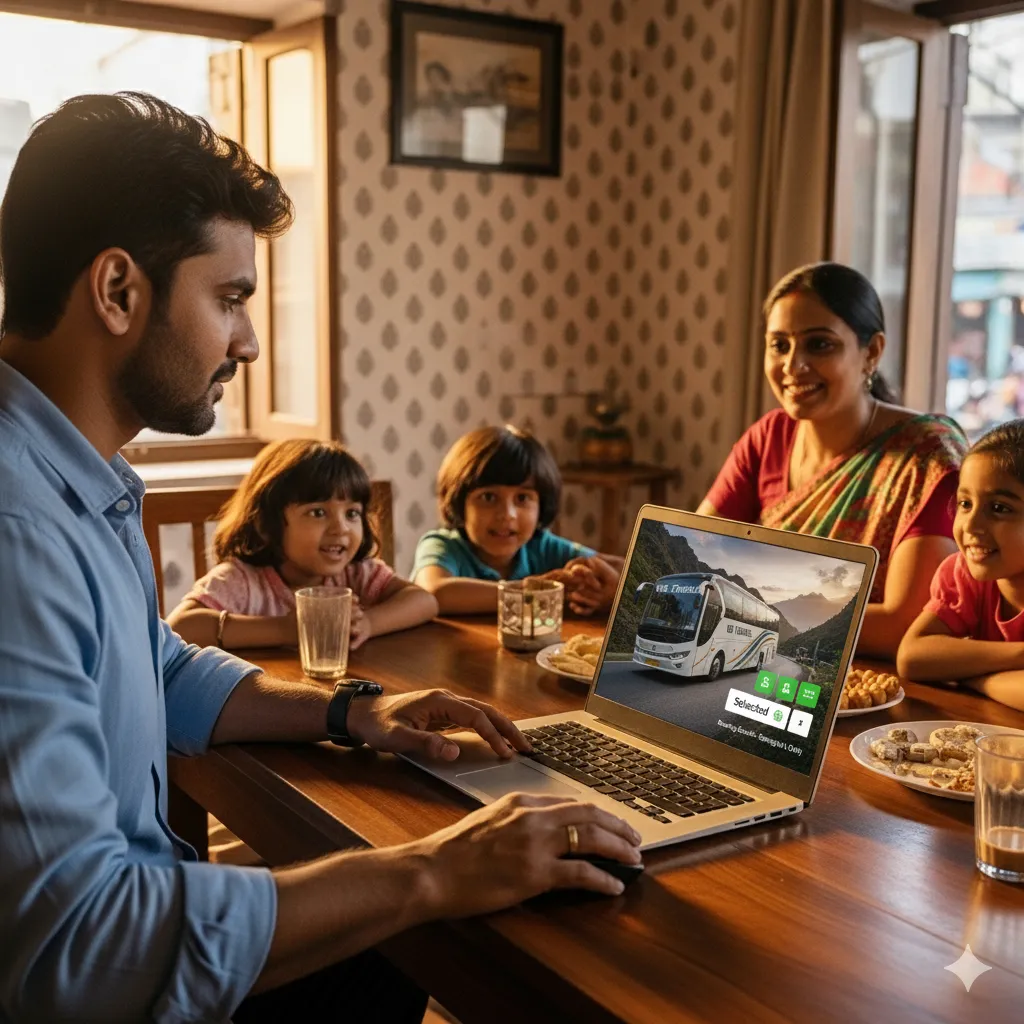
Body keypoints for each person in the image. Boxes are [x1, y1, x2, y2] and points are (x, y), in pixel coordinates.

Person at [0, 92, 641, 1023]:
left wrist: (355, 710)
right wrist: (431, 870)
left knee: (397, 938)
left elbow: (161, 668)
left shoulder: (78, 477)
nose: (250, 342)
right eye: (228, 301)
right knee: (431, 922)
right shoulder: (20, 531)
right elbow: (80, 950)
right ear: (117, 290)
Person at [697, 262, 967, 658]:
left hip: (881, 686)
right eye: (779, 345)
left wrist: (758, 624)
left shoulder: (925, 455)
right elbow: (699, 550)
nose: (793, 366)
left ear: (871, 351)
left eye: (819, 344)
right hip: (758, 661)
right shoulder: (769, 437)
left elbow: (903, 625)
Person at [168, 439, 438, 650]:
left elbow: (424, 601)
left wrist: (367, 624)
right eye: (318, 512)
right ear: (265, 524)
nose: (341, 528)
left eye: (352, 513)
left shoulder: (357, 573)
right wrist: (287, 630)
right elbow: (181, 627)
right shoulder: (242, 581)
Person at [412, 425, 623, 615]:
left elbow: (621, 570)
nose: (507, 514)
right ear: (459, 502)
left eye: (522, 498)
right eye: (488, 497)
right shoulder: (444, 546)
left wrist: (608, 591)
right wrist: (533, 590)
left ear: (542, 505)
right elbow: (434, 592)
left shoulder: (543, 547)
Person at [897, 421, 1024, 712]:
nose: (971, 525)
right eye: (965, 503)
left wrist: (971, 676)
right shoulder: (964, 574)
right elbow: (912, 657)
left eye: (1000, 508)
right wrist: (1020, 655)